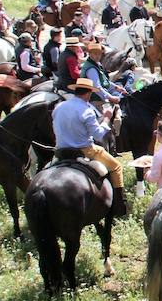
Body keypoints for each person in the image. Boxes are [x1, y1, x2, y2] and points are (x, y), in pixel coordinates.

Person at [52, 77, 127, 216]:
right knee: (116, 167)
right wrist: (106, 118)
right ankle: (119, 205)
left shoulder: (59, 107)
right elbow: (98, 135)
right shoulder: (86, 110)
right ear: (88, 94)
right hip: (85, 150)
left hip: (61, 150)